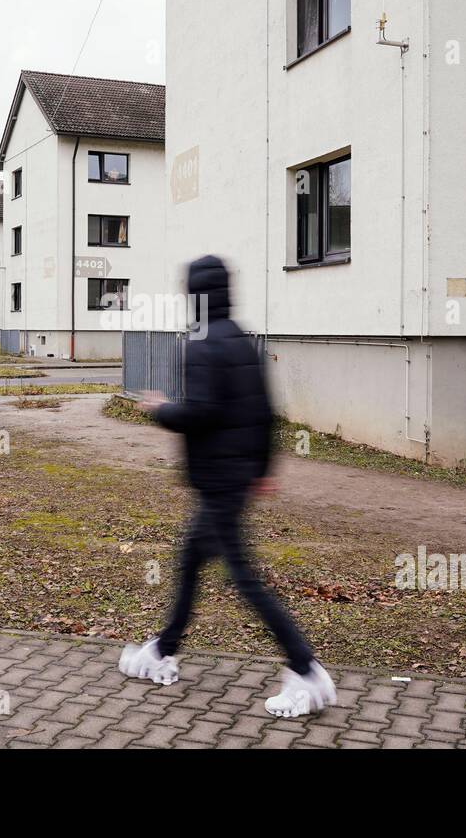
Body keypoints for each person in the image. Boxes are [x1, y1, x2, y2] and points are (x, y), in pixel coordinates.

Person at [118, 255, 336, 717]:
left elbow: (201, 412)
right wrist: (262, 469)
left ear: (194, 295)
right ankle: (163, 650)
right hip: (234, 476)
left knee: (244, 578)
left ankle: (306, 671)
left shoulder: (200, 343)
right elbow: (263, 408)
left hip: (218, 479)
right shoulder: (240, 337)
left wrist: (158, 408)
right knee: (191, 560)